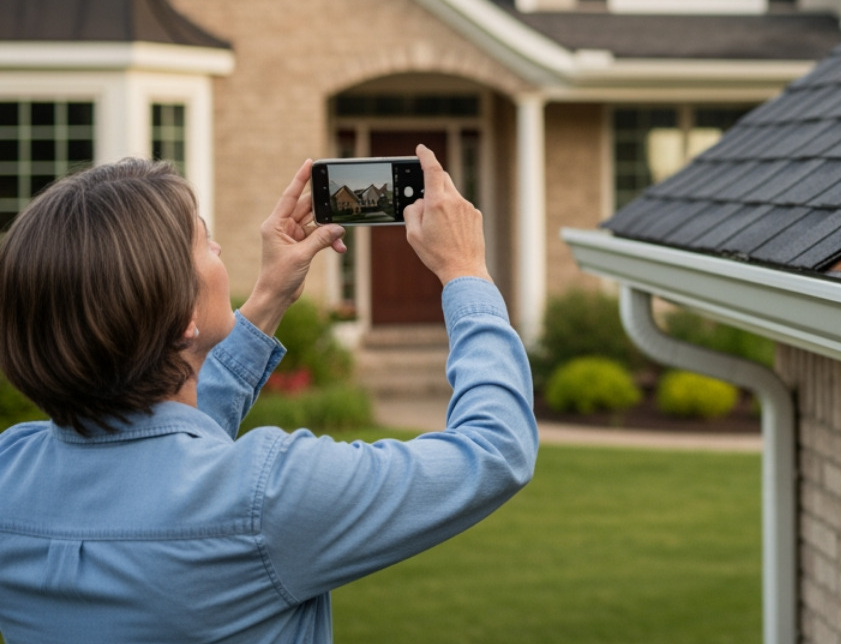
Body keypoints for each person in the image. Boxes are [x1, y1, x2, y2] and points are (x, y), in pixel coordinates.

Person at [0, 145, 536, 643]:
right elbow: (494, 450)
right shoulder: (270, 499)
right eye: (202, 241)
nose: (217, 249)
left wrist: (269, 297)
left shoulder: (12, 473)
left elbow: (162, 459)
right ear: (183, 317)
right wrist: (465, 272)